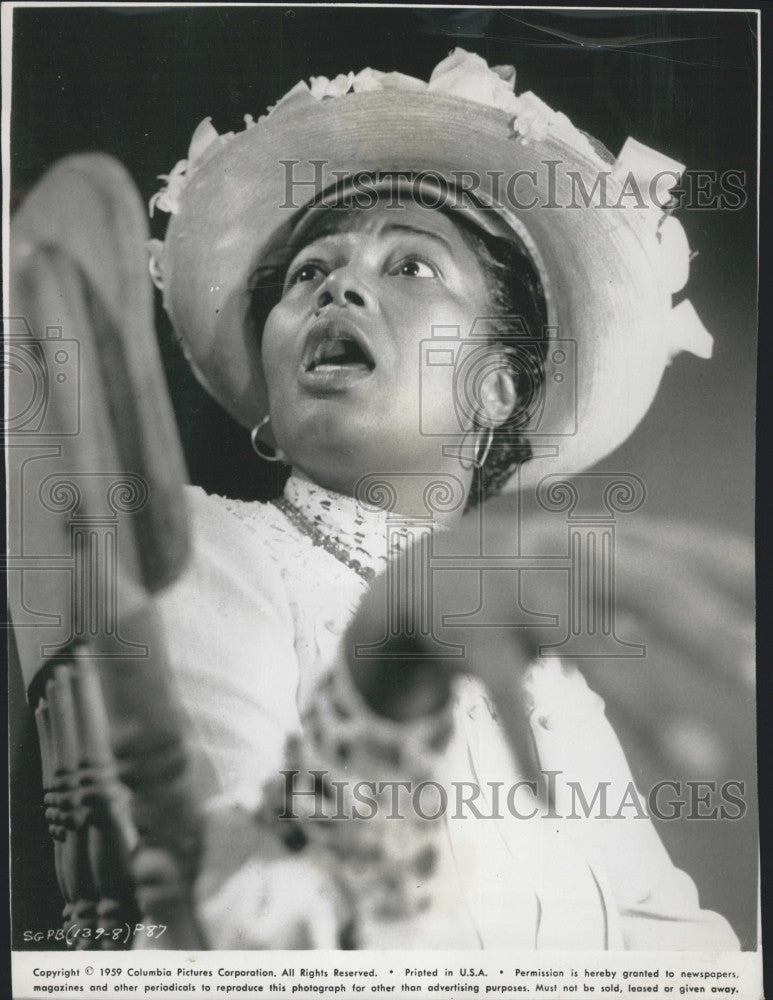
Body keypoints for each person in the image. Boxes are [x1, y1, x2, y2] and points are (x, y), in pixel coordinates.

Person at [146, 48, 740, 950]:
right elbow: (235, 913)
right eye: (308, 273)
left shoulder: (541, 668)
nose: (336, 286)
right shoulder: (209, 548)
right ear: (271, 398)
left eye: (411, 267)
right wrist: (387, 671)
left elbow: (672, 941)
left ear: (496, 389)